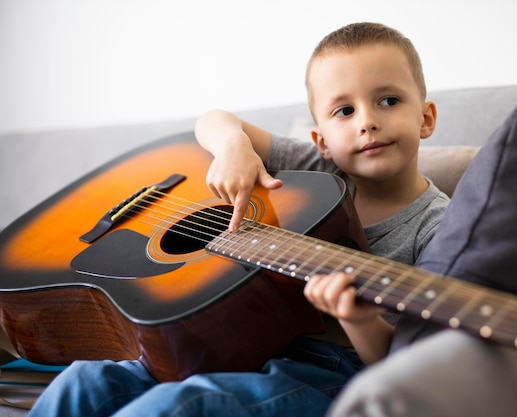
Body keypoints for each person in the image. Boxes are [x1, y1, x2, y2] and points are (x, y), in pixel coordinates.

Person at [28, 22, 449, 417]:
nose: (368, 121)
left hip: (339, 370)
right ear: (320, 141)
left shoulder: (440, 225)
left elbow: (414, 366)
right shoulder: (316, 172)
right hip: (239, 337)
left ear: (426, 117)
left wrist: (359, 320)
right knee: (85, 380)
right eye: (344, 111)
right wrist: (232, 146)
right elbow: (212, 120)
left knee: (176, 407)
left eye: (388, 101)